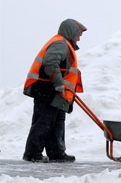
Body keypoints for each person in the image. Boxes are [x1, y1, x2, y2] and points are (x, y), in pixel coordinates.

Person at [22, 18, 87, 163]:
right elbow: (50, 63)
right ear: (71, 32)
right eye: (78, 35)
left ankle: (56, 153)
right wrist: (58, 84)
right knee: (43, 123)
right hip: (48, 90)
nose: (79, 39)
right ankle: (32, 154)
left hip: (56, 93)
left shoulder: (64, 44)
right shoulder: (60, 44)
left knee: (57, 123)